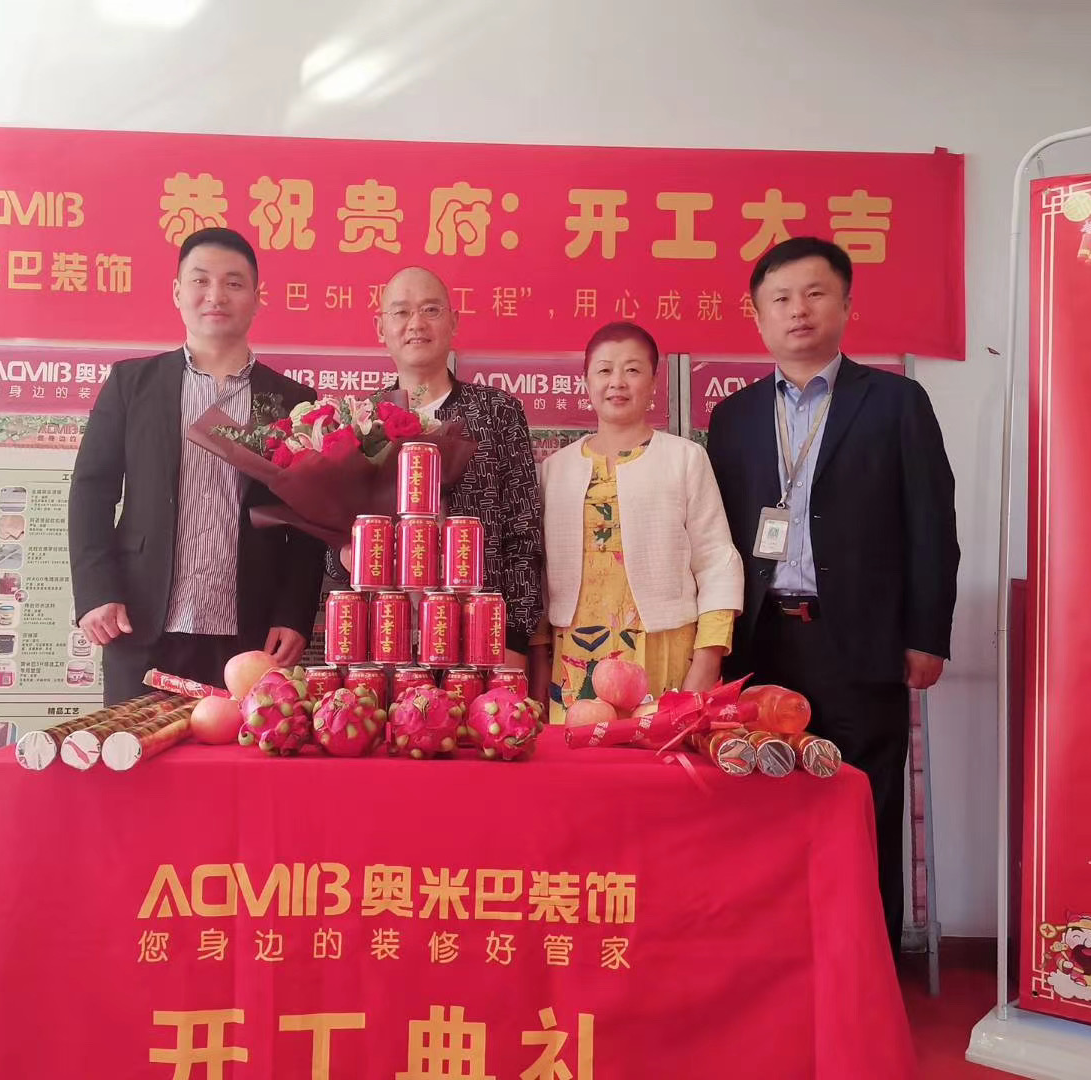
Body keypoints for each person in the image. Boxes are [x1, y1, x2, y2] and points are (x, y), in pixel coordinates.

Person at [706, 236, 959, 950]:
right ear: (758, 316)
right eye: (781, 298)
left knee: (864, 802)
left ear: (846, 305)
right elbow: (717, 538)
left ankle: (870, 962)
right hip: (761, 643)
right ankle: (779, 956)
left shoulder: (897, 403)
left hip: (862, 641)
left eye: (815, 294)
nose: (799, 310)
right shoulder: (734, 417)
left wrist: (927, 635)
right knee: (762, 805)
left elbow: (932, 526)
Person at [69, 227, 325, 705]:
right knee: (135, 749)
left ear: (256, 298)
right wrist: (95, 590)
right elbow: (91, 491)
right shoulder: (132, 384)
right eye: (200, 280)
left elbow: (307, 520)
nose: (216, 295)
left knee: (240, 753)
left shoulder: (290, 400)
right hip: (139, 621)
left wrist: (294, 613)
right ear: (177, 292)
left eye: (234, 283)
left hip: (250, 633)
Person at [530, 322, 743, 722]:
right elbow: (539, 576)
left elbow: (717, 561)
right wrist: (539, 665)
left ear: (654, 382)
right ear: (586, 382)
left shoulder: (685, 459)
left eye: (632, 369)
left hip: (664, 651)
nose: (617, 382)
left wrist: (708, 659)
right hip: (575, 658)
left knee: (658, 756)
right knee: (578, 757)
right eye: (604, 370)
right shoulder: (555, 469)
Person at [332, 266, 543, 662]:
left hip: (482, 637)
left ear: (453, 322)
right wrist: (346, 556)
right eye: (401, 312)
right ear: (380, 328)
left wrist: (514, 636)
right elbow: (332, 538)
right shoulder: (359, 423)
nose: (416, 324)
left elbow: (523, 532)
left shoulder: (496, 412)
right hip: (384, 641)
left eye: (430, 310)